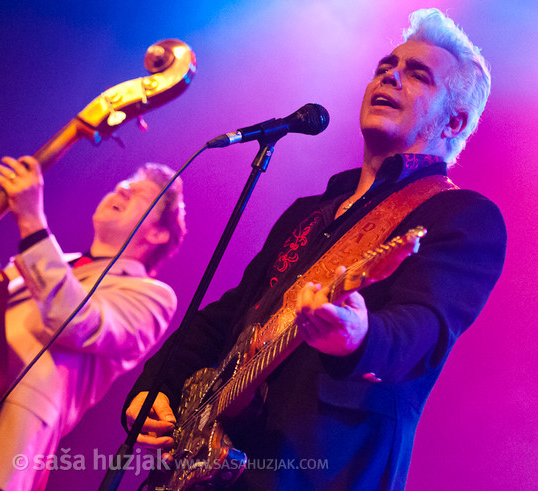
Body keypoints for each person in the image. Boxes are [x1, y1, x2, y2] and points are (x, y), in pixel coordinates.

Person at [124, 8, 506, 490]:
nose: (390, 74)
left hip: (317, 466)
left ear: (453, 121)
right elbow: (229, 315)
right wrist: (157, 384)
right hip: (210, 463)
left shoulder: (461, 216)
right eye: (385, 66)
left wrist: (360, 337)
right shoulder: (310, 210)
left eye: (417, 74)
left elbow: (425, 329)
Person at [0, 155, 187, 490]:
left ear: (157, 233)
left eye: (138, 193)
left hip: (4, 434)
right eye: (122, 185)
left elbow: (78, 323)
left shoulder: (152, 296)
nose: (122, 188)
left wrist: (31, 222)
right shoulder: (51, 260)